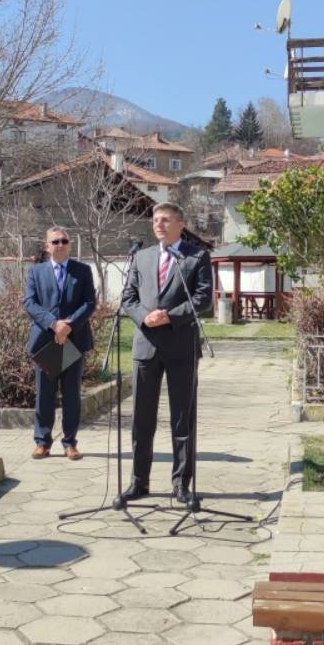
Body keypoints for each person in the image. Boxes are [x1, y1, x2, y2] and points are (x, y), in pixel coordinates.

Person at [120, 202, 213, 503]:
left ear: (180, 224)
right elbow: (128, 297)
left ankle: (181, 484)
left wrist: (170, 316)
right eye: (155, 220)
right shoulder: (141, 257)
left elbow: (203, 298)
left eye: (165, 220)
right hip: (146, 345)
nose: (158, 225)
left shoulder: (196, 256)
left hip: (180, 346)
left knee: (182, 419)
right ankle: (138, 482)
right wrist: (144, 317)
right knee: (141, 419)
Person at [22, 226, 96, 460]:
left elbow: (89, 303)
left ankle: (70, 443)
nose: (60, 245)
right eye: (55, 242)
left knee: (71, 395)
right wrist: (54, 325)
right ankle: (42, 442)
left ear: (70, 244)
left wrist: (68, 326)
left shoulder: (82, 270)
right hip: (46, 341)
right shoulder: (36, 272)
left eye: (64, 241)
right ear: (47, 246)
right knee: (44, 395)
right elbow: (29, 303)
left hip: (74, 340)